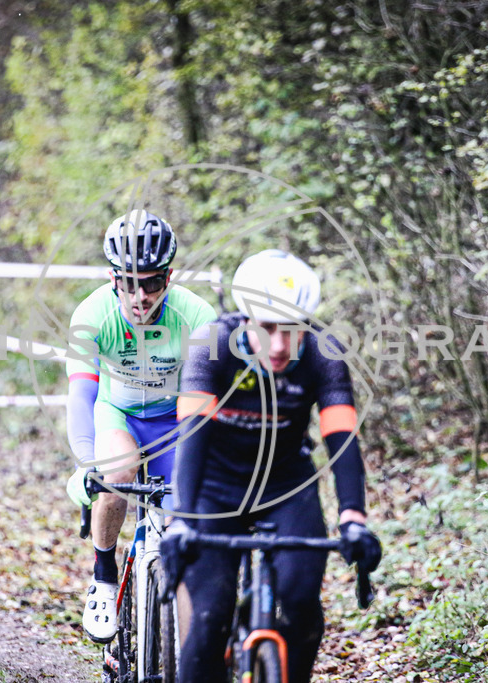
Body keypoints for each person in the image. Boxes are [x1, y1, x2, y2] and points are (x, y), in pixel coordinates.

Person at [164, 249, 382, 683]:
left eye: (291, 331)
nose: (279, 345)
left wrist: (353, 518)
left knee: (301, 606)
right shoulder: (212, 346)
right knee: (209, 619)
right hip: (214, 488)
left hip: (285, 487)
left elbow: (342, 441)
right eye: (267, 330)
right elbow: (191, 438)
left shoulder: (323, 353)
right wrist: (182, 517)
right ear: (246, 320)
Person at [64, 209, 216, 643]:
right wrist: (85, 461)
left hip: (177, 419)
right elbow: (82, 394)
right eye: (129, 283)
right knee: (117, 472)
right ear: (114, 280)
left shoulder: (196, 314)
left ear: (167, 277)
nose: (140, 296)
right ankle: (104, 578)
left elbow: (209, 399)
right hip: (119, 414)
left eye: (151, 282)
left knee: (183, 522)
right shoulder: (92, 314)